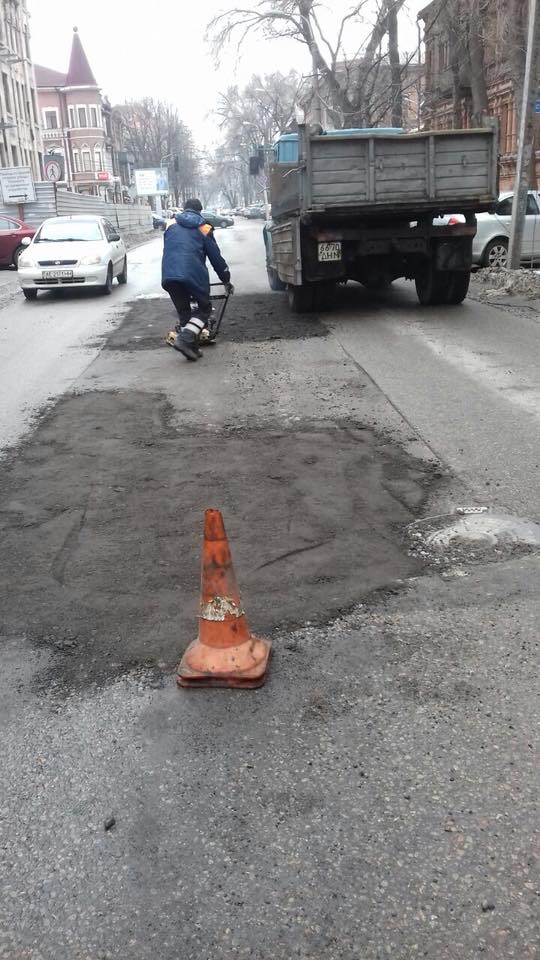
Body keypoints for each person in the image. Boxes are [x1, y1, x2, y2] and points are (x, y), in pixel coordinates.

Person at [161, 198, 233, 361]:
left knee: (185, 312)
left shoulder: (171, 225)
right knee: (204, 309)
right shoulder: (204, 227)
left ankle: (191, 347)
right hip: (192, 274)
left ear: (185, 209)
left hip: (168, 275)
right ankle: (185, 339)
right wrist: (226, 279)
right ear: (200, 211)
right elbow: (216, 258)